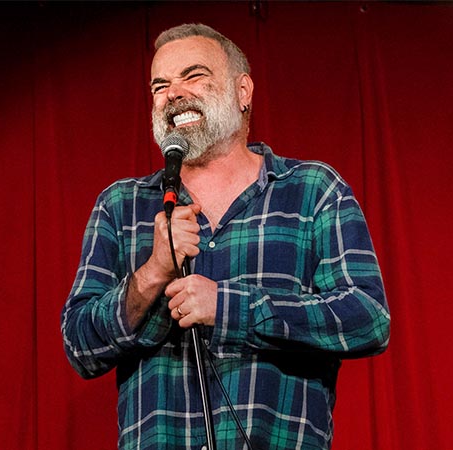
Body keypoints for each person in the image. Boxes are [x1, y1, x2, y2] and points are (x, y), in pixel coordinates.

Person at [61, 23, 390, 450]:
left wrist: (229, 308)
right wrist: (152, 273)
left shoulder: (312, 190)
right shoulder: (122, 206)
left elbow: (367, 319)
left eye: (194, 75)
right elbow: (80, 345)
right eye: (160, 86)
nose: (173, 93)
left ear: (243, 91)